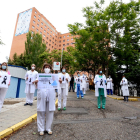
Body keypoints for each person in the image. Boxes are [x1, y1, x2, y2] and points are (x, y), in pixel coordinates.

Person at [36, 63, 56, 135]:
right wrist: (36, 82)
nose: (47, 68)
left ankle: (48, 128)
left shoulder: (53, 76)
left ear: (50, 69)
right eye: (45, 67)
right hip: (42, 95)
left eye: (48, 67)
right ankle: (41, 129)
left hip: (50, 96)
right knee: (41, 111)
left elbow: (56, 85)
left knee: (50, 112)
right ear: (43, 69)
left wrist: (58, 81)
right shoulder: (39, 76)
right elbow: (36, 85)